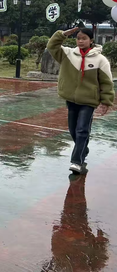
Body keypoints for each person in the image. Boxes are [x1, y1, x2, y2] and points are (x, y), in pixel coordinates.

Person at [47, 27, 114, 174]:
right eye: (78, 38)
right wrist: (62, 34)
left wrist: (106, 102)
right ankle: (84, 148)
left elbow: (107, 82)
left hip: (89, 101)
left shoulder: (100, 60)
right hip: (71, 99)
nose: (81, 41)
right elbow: (51, 46)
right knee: (73, 130)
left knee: (82, 130)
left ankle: (76, 161)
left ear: (91, 40)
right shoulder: (68, 54)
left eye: (84, 38)